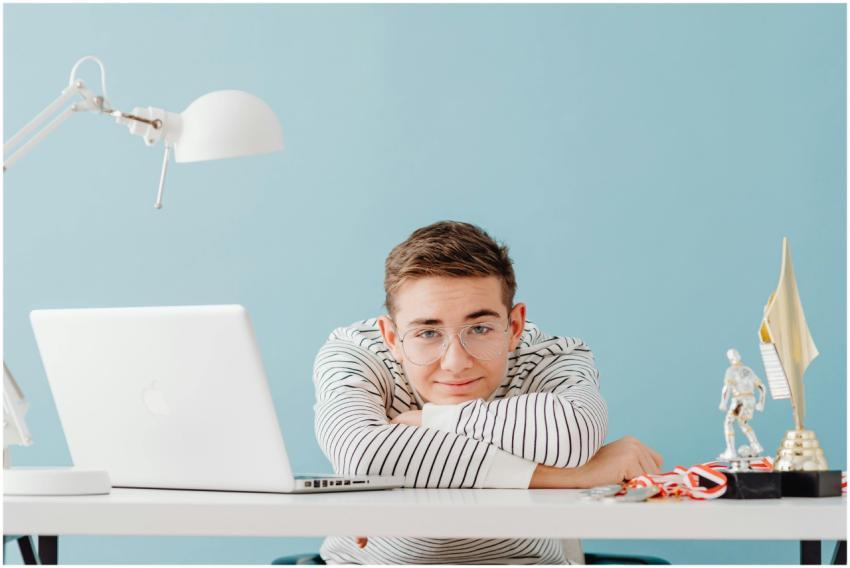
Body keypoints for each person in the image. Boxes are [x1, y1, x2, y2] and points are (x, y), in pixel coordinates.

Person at [313, 220, 663, 564]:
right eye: (427, 333)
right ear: (391, 338)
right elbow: (362, 455)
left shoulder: (551, 355)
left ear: (514, 326)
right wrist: (567, 476)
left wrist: (431, 420)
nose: (455, 362)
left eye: (480, 328)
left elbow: (573, 432)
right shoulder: (357, 351)